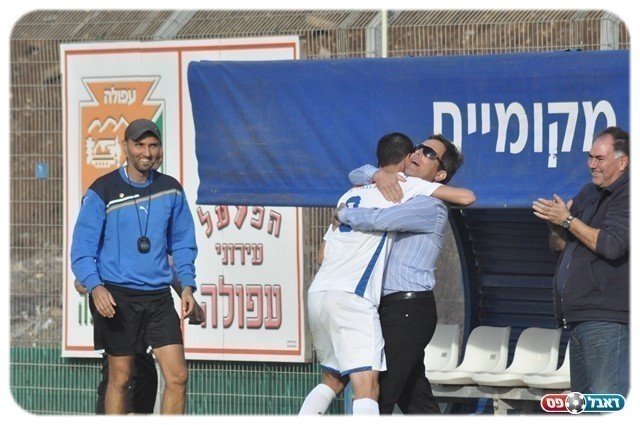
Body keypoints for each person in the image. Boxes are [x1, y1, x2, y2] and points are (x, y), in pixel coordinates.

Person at [299, 133, 474, 415]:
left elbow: (379, 219)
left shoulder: (429, 204)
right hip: (382, 305)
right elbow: (358, 173)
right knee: (415, 400)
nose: (419, 153)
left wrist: (344, 214)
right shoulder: (395, 187)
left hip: (408, 308)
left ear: (440, 174)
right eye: (419, 148)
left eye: (430, 153)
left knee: (376, 393)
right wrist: (378, 174)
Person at [70, 118, 199, 414]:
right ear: (125, 147)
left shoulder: (171, 190)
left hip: (158, 298)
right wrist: (96, 286)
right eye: (139, 144)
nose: (147, 152)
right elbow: (82, 250)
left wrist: (187, 287)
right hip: (117, 298)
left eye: (153, 145)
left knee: (178, 376)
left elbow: (182, 245)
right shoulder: (102, 190)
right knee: (121, 379)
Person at [532, 126, 629, 397]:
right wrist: (556, 225)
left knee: (606, 403)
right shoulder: (589, 193)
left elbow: (612, 245)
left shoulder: (629, 195)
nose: (591, 164)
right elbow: (560, 247)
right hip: (577, 318)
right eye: (590, 157)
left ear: (623, 162)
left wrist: (567, 220)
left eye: (599, 159)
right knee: (584, 405)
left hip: (607, 319)